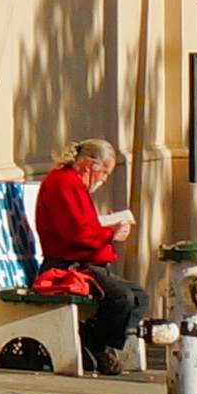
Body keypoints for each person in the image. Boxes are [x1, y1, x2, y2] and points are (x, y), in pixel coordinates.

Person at [33, 136, 145, 375]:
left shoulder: (74, 185)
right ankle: (98, 346)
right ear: (89, 165)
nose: (104, 180)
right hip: (67, 265)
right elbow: (76, 234)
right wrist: (111, 234)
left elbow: (83, 227)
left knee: (139, 297)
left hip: (83, 261)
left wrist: (108, 228)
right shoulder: (63, 184)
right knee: (122, 298)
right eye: (104, 173)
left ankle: (95, 339)